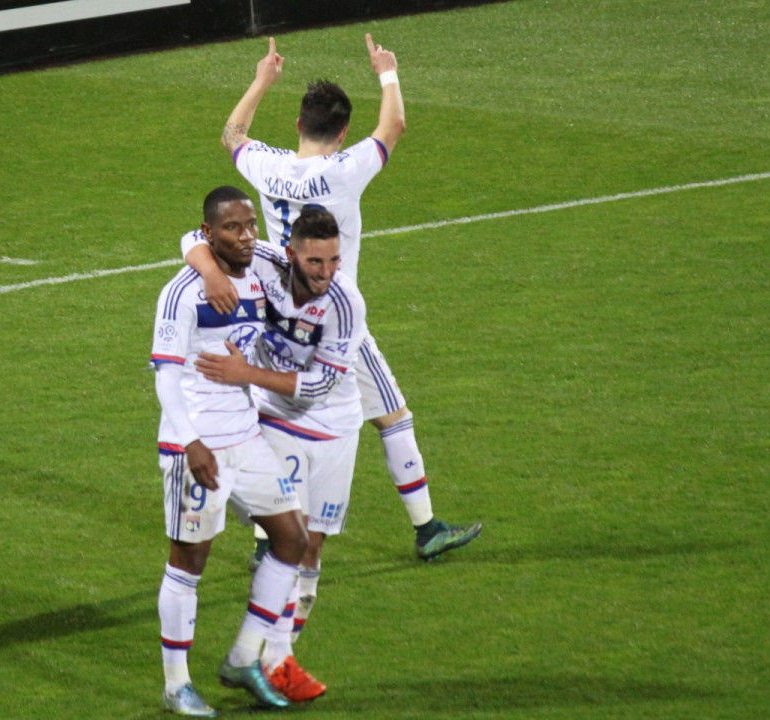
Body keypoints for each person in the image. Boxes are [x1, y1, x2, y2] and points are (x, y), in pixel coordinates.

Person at [204, 33, 481, 561]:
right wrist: (387, 72)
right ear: (343, 131)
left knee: (281, 424)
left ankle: (268, 540)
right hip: (336, 322)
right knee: (392, 416)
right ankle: (426, 530)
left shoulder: (267, 166)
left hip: (278, 321)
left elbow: (232, 134)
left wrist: (263, 79)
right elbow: (394, 125)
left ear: (298, 126)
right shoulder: (343, 171)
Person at [189, 204, 367, 703]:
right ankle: (268, 657)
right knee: (288, 533)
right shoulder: (264, 259)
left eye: (334, 261)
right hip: (275, 418)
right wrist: (208, 271)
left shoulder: (346, 304)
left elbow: (319, 384)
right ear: (291, 255)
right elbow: (191, 237)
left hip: (334, 425)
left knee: (311, 545)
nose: (327, 273)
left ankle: (275, 654)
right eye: (315, 263)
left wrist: (246, 374)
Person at [152, 186, 310, 716]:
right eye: (232, 229)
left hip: (246, 436)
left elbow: (294, 256)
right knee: (189, 561)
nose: (246, 236)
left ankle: (244, 657)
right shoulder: (182, 294)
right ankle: (177, 686)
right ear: (208, 234)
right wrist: (191, 443)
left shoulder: (262, 262)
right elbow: (167, 377)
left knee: (292, 538)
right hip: (197, 445)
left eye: (250, 226)